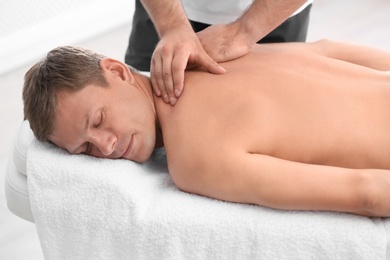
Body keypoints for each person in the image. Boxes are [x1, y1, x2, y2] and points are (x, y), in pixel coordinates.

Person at [23, 40, 390, 217]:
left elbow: (368, 194)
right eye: (86, 148)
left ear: (118, 71)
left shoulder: (192, 158)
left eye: (99, 121)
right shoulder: (215, 46)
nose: (105, 147)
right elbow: (326, 49)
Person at [126, 0, 313, 105]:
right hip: (165, 8)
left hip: (272, 11)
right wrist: (172, 26)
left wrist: (245, 31)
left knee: (271, 110)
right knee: (141, 101)